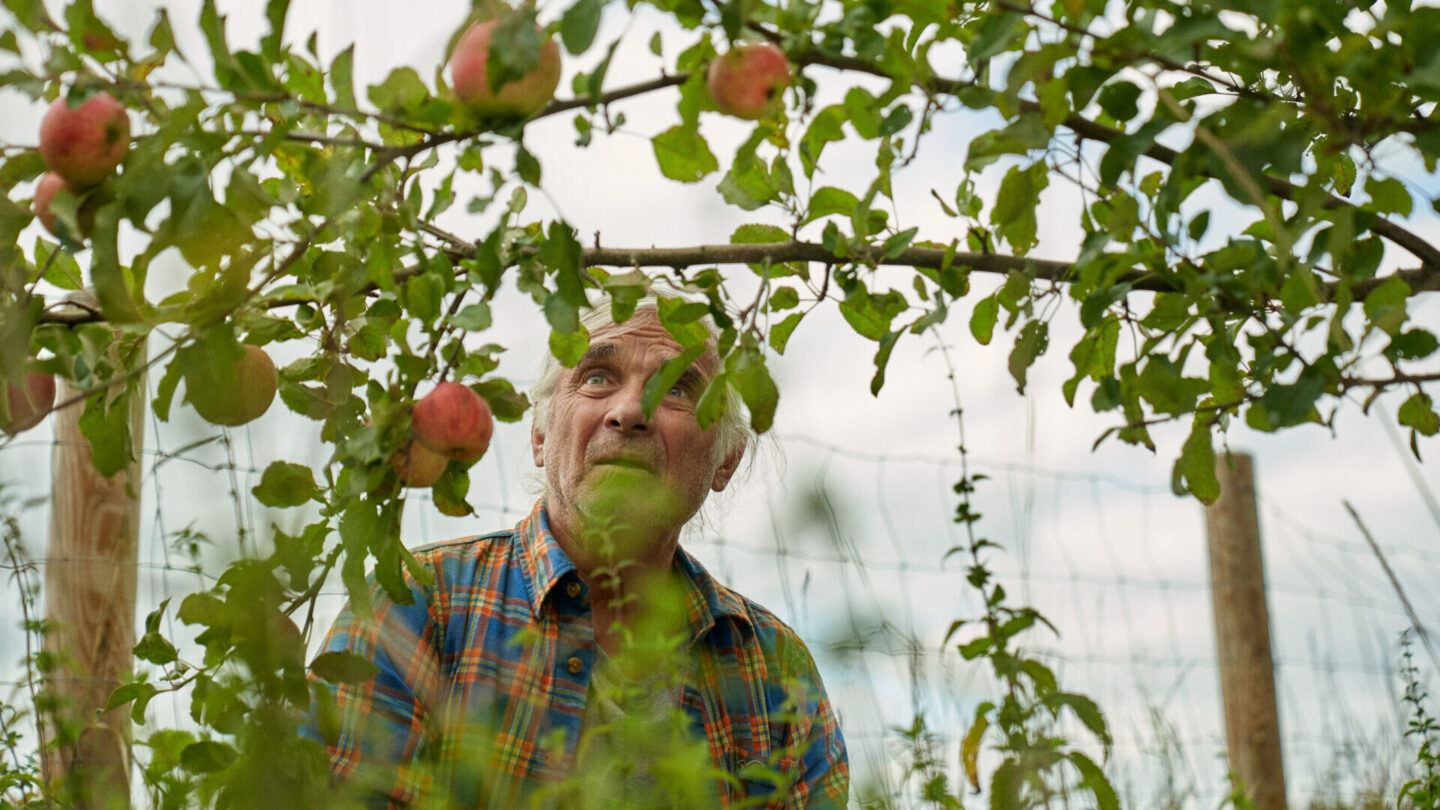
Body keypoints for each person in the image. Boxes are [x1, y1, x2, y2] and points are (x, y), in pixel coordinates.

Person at [305, 297, 848, 808]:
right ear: (540, 435)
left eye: (678, 388)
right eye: (595, 378)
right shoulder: (416, 605)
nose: (631, 410)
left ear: (726, 459)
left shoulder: (773, 669)